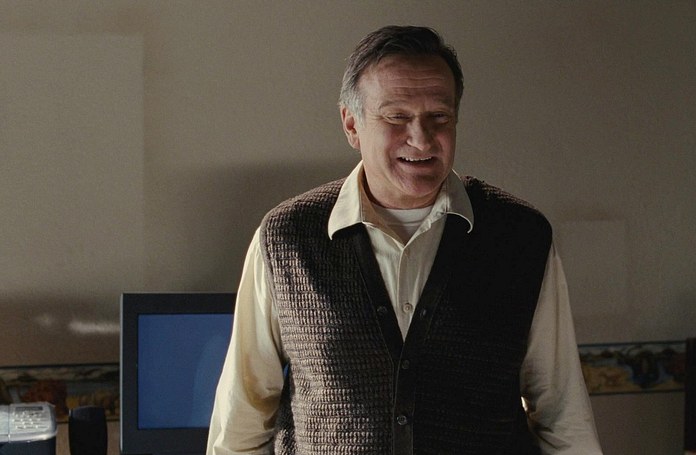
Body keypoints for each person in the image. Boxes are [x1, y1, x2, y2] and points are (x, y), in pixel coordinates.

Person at [207, 25, 602, 455]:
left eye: (439, 117)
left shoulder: (520, 237)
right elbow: (242, 421)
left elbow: (562, 414)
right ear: (351, 124)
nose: (421, 138)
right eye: (397, 117)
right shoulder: (288, 239)